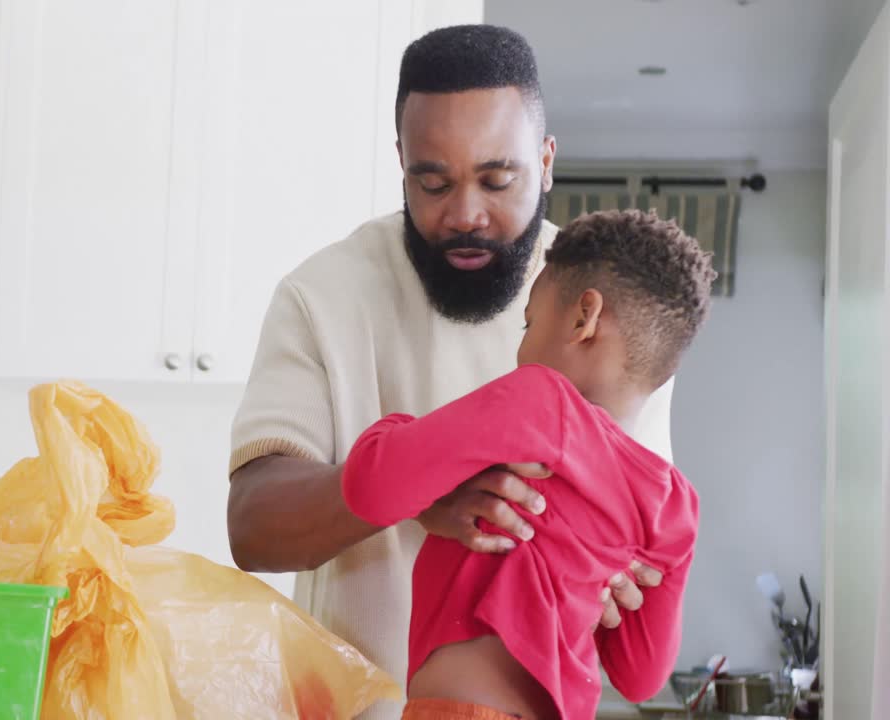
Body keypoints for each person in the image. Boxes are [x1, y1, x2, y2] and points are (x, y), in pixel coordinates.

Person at [226, 25, 675, 719]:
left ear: (547, 160)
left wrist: (617, 585)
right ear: (401, 161)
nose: (465, 214)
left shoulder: (615, 317)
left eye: (498, 180)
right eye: (432, 182)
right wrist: (418, 489)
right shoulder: (322, 295)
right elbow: (252, 526)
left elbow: (638, 581)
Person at [342, 209, 711, 720]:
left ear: (584, 318)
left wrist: (394, 425)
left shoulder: (539, 400)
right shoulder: (675, 505)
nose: (520, 350)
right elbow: (639, 676)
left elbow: (370, 489)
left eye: (530, 322)